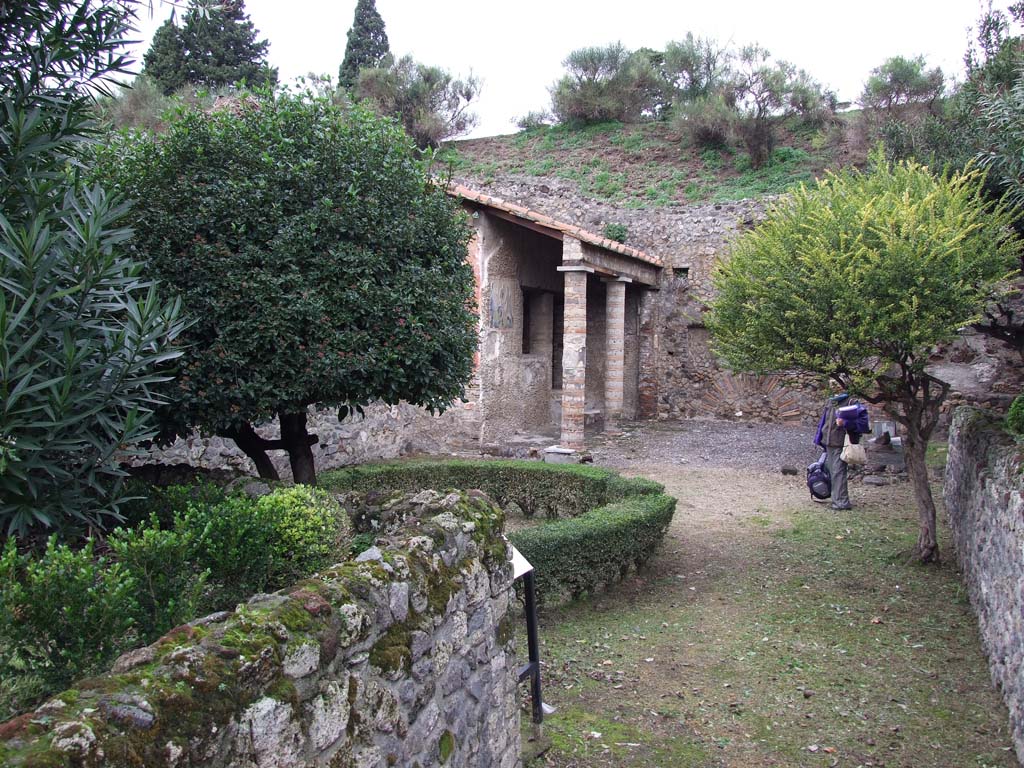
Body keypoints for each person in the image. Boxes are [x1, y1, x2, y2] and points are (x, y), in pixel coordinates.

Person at [814, 389, 854, 510]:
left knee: (838, 472)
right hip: (828, 441)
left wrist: (845, 422)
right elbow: (824, 422)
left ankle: (841, 502)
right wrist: (819, 438)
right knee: (832, 471)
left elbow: (860, 421)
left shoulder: (850, 401)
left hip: (840, 442)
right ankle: (837, 499)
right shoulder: (831, 401)